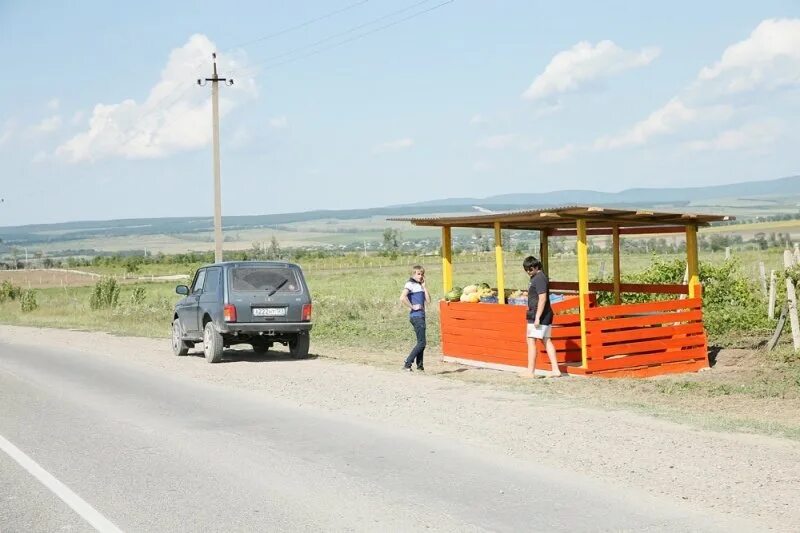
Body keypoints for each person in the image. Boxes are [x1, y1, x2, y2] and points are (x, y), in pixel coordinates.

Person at [523, 256, 561, 378]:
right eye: (526, 270)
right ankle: (556, 370)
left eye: (530, 269)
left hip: (538, 314)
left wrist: (537, 317)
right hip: (545, 313)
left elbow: (543, 298)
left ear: (536, 267)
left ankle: (530, 371)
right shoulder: (539, 277)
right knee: (546, 340)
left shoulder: (539, 279)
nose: (528, 272)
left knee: (531, 340)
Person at [399, 265, 430, 372]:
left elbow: (428, 301)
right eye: (418, 274)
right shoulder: (410, 284)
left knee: (420, 342)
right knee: (422, 343)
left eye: (422, 274)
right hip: (416, 316)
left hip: (421, 316)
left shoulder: (420, 286)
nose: (420, 276)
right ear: (413, 274)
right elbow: (402, 297)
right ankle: (407, 364)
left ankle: (420, 367)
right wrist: (413, 307)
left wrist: (424, 287)